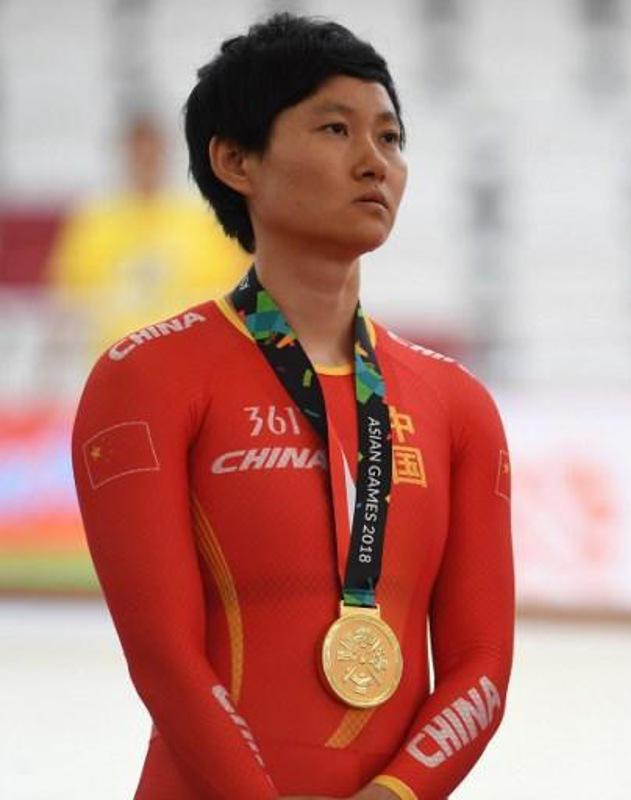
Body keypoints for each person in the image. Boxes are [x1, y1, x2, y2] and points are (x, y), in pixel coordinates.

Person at [71, 14, 513, 800]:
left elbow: (481, 670)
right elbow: (165, 660)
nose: (374, 161)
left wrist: (398, 793)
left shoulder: (457, 404)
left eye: (390, 136)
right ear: (236, 160)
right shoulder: (145, 378)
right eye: (336, 129)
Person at [49, 112, 247, 358]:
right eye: (138, 154)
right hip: (116, 366)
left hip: (187, 364)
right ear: (124, 155)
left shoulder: (205, 222)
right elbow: (67, 303)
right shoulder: (93, 223)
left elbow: (241, 295)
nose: (145, 161)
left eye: (151, 153)